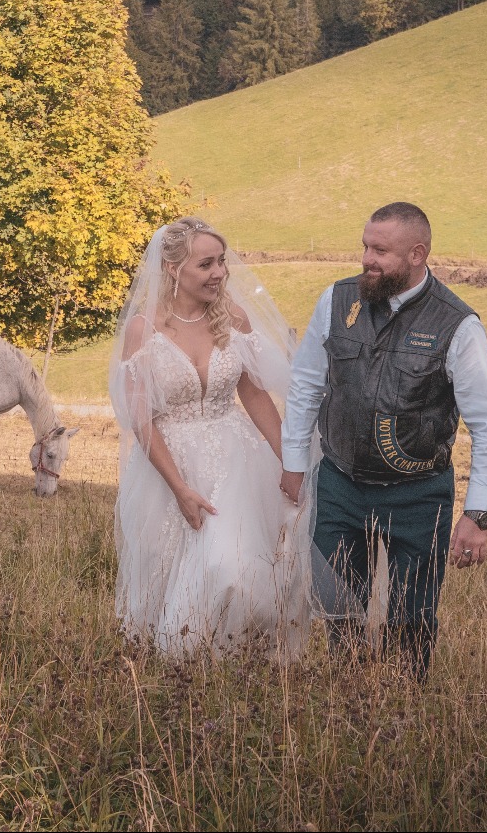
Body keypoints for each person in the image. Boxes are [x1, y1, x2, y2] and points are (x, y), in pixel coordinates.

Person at [278, 201, 487, 675]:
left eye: (380, 250)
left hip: (418, 494)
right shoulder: (336, 300)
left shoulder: (458, 326)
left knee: (412, 620)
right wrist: (294, 462)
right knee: (338, 609)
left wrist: (478, 514)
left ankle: (405, 709)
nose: (366, 258)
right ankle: (348, 700)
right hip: (339, 483)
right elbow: (305, 384)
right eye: (365, 245)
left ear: (417, 254)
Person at [110, 216, 311, 657]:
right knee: (171, 567)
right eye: (206, 265)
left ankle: (239, 658)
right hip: (169, 468)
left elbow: (256, 397)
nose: (219, 273)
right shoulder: (145, 329)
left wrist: (291, 463)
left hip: (235, 462)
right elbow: (141, 421)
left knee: (233, 568)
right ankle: (182, 667)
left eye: (222, 262)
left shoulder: (232, 318)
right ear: (172, 268)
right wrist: (180, 489)